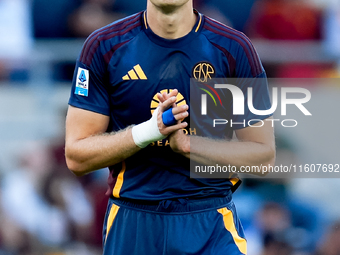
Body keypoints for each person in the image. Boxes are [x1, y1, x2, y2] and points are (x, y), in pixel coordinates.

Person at [65, 0, 276, 254]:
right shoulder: (104, 46)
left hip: (210, 222)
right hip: (133, 221)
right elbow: (77, 156)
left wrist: (189, 145)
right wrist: (148, 132)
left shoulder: (234, 48)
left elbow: (263, 157)